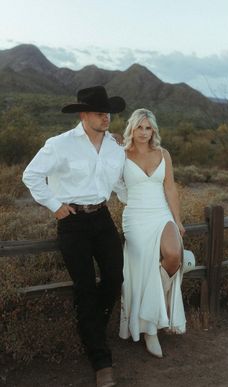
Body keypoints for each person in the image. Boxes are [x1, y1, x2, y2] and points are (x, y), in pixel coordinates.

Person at [22, 86, 126, 387]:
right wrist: (55, 206)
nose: (105, 117)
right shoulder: (60, 144)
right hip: (73, 222)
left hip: (103, 217)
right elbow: (30, 175)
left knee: (114, 277)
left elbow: (119, 183)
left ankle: (91, 329)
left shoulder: (114, 147)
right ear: (83, 115)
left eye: (107, 112)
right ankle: (100, 359)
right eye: (98, 112)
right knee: (84, 286)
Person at [118, 108, 195, 357]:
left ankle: (152, 307)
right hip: (136, 217)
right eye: (139, 127)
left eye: (148, 127)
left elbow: (170, 189)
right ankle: (149, 330)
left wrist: (178, 221)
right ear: (132, 128)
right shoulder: (121, 154)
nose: (143, 132)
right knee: (143, 270)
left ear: (154, 130)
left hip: (161, 213)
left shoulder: (163, 154)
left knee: (174, 255)